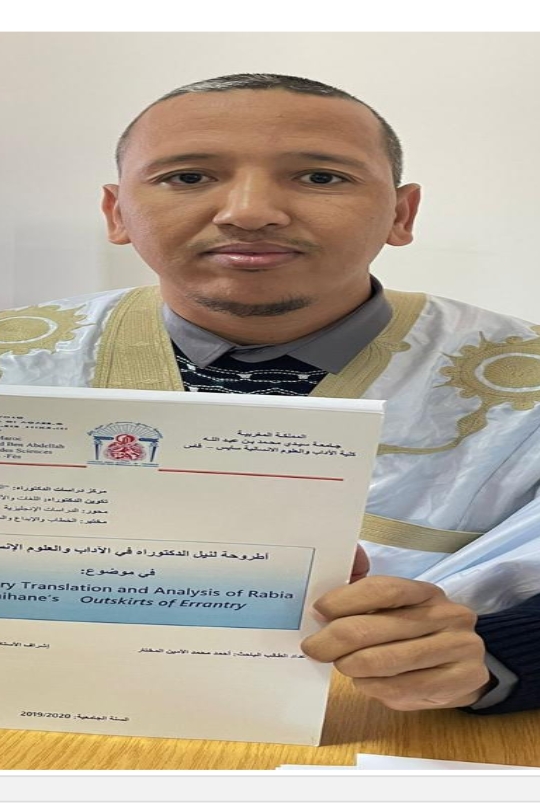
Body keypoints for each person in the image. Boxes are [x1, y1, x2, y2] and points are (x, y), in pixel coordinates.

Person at [1, 73, 540, 715]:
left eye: (320, 177)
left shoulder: (520, 380)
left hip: (397, 737)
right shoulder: (18, 360)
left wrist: (499, 661)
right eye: (188, 177)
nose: (250, 212)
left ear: (401, 214)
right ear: (117, 213)